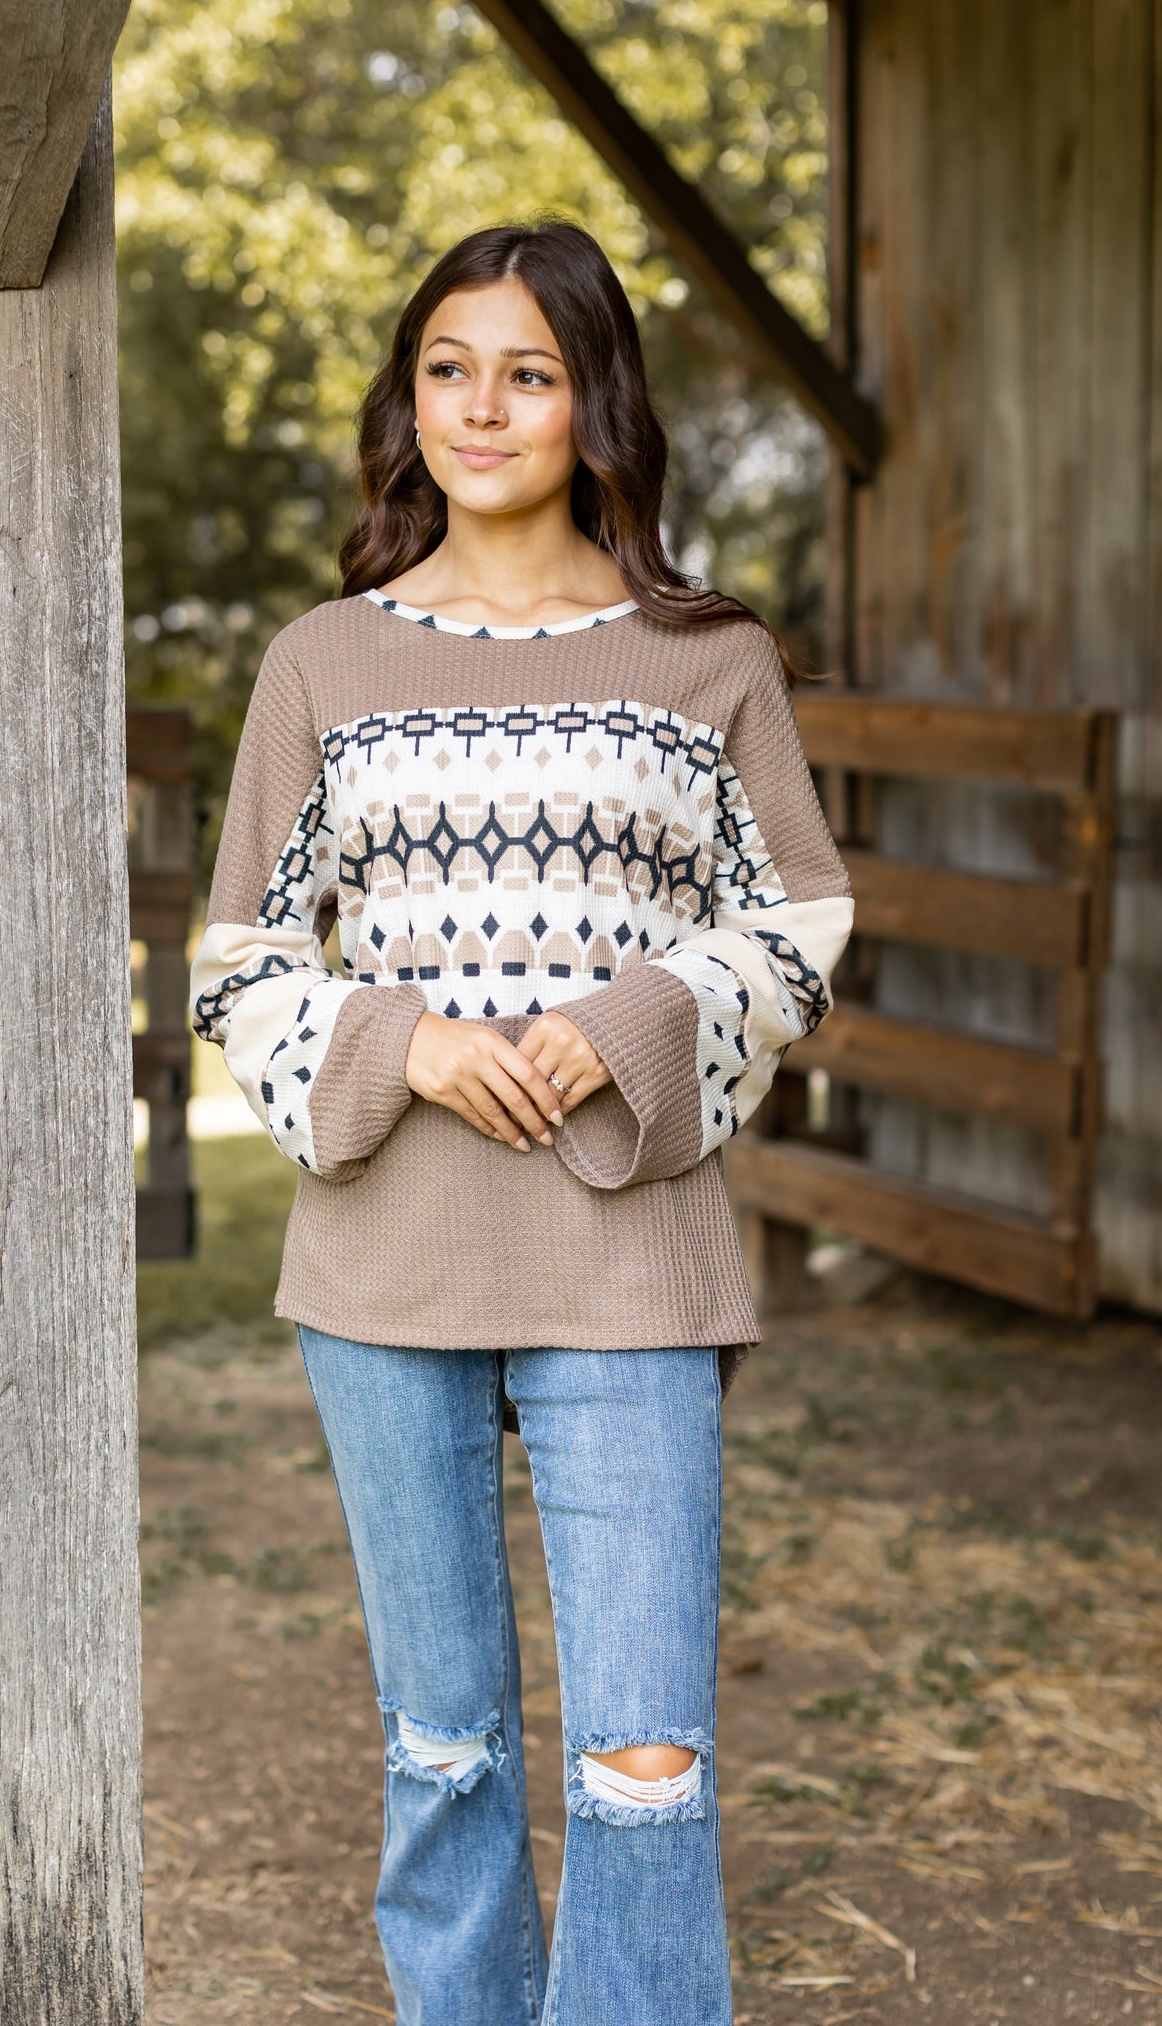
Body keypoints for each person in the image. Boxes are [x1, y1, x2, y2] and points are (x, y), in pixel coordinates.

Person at [189, 219, 852, 2024]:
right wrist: (395, 1043)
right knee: (446, 1752)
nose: (484, 406)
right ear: (410, 405)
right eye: (449, 369)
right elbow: (238, 954)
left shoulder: (706, 658)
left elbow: (797, 918)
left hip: (630, 1253)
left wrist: (619, 1023)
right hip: (382, 1267)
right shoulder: (319, 661)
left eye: (530, 371)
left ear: (593, 403)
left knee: (646, 1763)